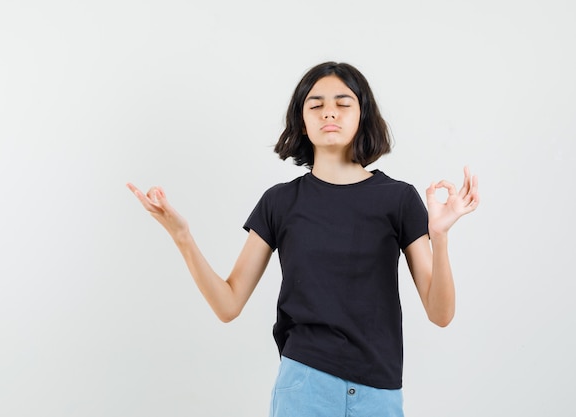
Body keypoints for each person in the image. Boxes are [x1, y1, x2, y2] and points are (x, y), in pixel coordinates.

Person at [127, 61, 479, 417]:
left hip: (378, 391)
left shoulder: (399, 199)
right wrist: (182, 236)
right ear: (302, 119)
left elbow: (441, 314)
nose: (330, 113)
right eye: (316, 104)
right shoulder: (280, 202)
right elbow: (228, 304)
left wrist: (440, 235)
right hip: (305, 386)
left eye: (343, 104)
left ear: (363, 115)